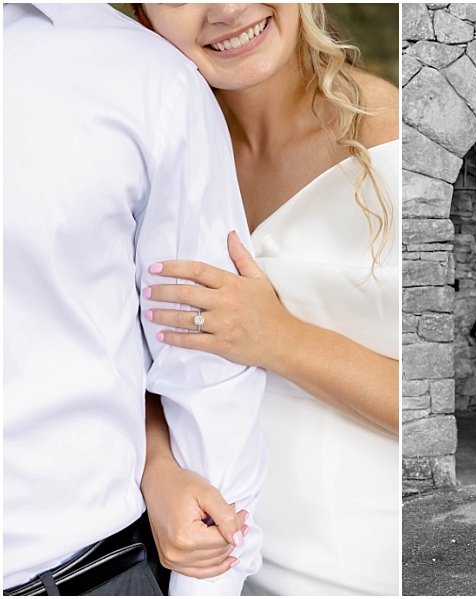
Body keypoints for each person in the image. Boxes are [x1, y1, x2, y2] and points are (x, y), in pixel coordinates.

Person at [133, 3, 400, 595]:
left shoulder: (393, 146)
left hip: (362, 572)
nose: (226, 9)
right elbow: (123, 352)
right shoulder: (156, 156)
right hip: (205, 568)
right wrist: (158, 470)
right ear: (143, 16)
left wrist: (281, 339)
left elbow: (439, 412)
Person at [4, 3, 265, 596]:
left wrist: (210, 582)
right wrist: (159, 463)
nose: (226, 7)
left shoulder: (149, 80)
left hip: (80, 572)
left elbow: (206, 370)